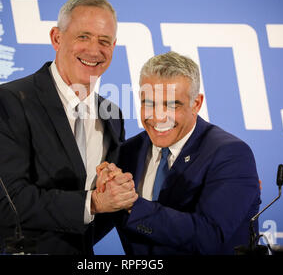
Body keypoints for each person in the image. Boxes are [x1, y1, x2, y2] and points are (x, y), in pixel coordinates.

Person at [0, 0, 137, 254]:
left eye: (104, 41)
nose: (94, 50)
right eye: (83, 36)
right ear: (56, 38)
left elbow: (97, 215)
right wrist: (92, 202)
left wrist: (112, 195)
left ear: (114, 47)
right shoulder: (7, 101)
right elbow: (9, 203)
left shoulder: (112, 115)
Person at [97, 51, 261, 254]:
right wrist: (99, 199)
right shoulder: (128, 152)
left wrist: (132, 203)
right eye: (149, 103)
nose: (158, 117)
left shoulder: (231, 155)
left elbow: (209, 236)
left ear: (196, 104)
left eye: (172, 105)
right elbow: (96, 227)